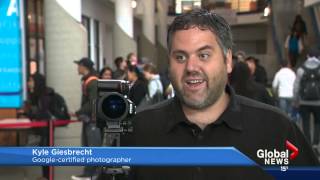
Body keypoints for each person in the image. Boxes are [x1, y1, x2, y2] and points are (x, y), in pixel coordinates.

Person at [124, 9, 319, 179]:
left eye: (204, 55)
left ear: (227, 61)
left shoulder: (276, 129)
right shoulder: (140, 129)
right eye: (180, 57)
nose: (191, 67)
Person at [72, 58, 101, 180]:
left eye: (78, 65)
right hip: (89, 120)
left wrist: (78, 112)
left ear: (84, 66)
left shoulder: (92, 81)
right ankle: (89, 173)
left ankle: (91, 174)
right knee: (88, 146)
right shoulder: (88, 80)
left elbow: (93, 102)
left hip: (93, 121)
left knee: (92, 147)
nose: (77, 68)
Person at [293, 48, 320, 147]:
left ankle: (307, 144)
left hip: (304, 101)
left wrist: (295, 101)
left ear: (307, 56)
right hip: (318, 102)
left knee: (305, 122)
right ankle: (316, 143)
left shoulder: (301, 69)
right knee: (318, 122)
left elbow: (296, 86)